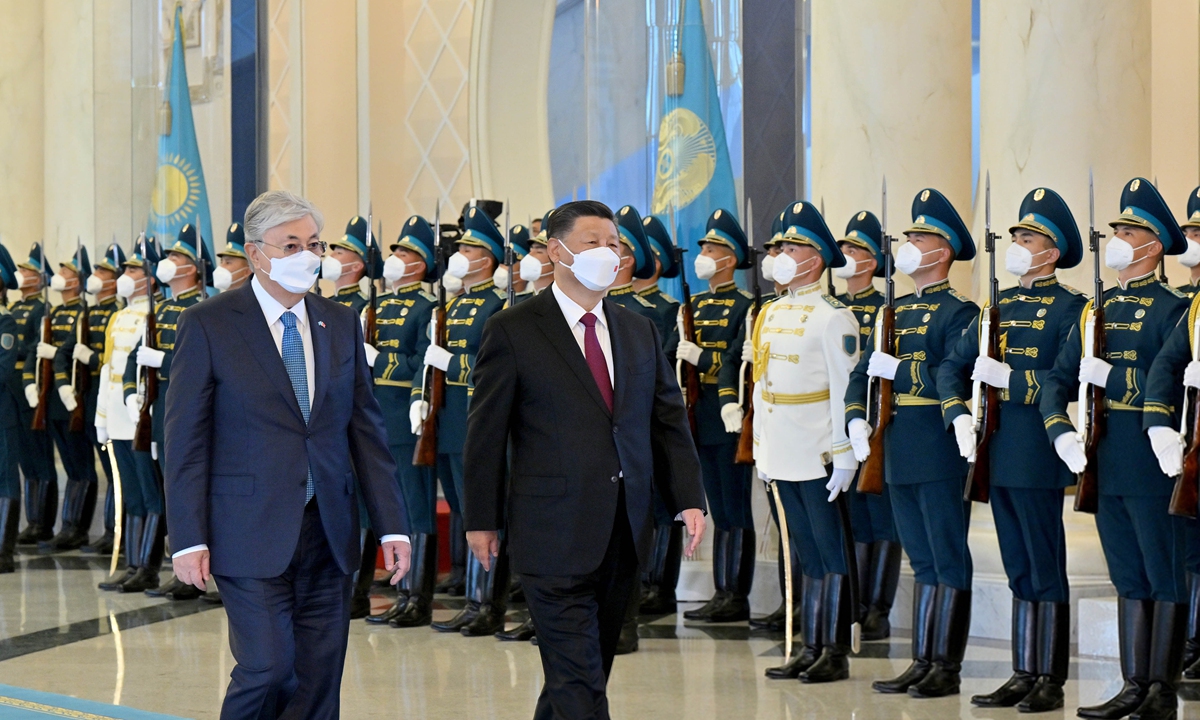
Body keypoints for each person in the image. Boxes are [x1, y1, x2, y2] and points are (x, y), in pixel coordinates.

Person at [165, 189, 411, 720]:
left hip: (328, 530)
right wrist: (188, 537)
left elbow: (366, 433)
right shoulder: (209, 323)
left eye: (314, 243)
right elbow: (185, 442)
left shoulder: (339, 321)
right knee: (270, 667)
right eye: (291, 244)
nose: (308, 255)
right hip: (246, 529)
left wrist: (392, 526)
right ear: (256, 254)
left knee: (321, 675)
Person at [461, 199, 707, 719]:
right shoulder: (514, 329)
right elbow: (485, 433)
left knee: (582, 673)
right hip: (550, 531)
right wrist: (480, 519)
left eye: (614, 245)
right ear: (557, 250)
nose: (608, 254)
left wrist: (688, 498)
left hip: (623, 529)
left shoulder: (638, 329)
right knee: (580, 686)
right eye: (594, 242)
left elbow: (667, 421)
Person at [1043, 177, 1190, 720]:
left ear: (1154, 243)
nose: (1119, 239)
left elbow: (1176, 377)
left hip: (1152, 452)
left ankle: (1161, 689)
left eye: (1129, 231)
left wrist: (1160, 426)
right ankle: (1134, 684)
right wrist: (1060, 430)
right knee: (1126, 570)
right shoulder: (1093, 311)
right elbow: (1057, 379)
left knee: (1162, 568)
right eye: (1117, 230)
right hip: (1102, 452)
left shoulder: (1174, 308)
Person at [939, 187, 1086, 713]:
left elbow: (1067, 381)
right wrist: (956, 412)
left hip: (1038, 448)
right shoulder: (995, 307)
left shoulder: (1074, 308)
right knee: (1017, 563)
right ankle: (1024, 669)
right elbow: (950, 367)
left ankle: (1050, 677)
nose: (1018, 244)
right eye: (1017, 236)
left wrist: (1013, 381)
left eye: (1029, 237)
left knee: (1045, 563)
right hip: (997, 450)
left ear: (1053, 250)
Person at [846, 188, 979, 698]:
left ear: (942, 251)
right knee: (921, 560)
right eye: (909, 235)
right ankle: (922, 657)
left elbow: (959, 377)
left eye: (919, 236)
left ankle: (946, 664)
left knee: (947, 556)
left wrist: (903, 370)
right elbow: (862, 374)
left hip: (939, 446)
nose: (908, 243)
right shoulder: (890, 311)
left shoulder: (960, 313)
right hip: (895, 445)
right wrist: (857, 419)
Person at [754, 201, 860, 684]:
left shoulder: (832, 316)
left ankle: (834, 649)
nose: (780, 253)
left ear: (815, 257)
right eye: (780, 246)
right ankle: (808, 643)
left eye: (792, 246)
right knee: (802, 552)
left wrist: (844, 456)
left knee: (829, 550)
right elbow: (760, 383)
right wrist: (760, 446)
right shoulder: (770, 311)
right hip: (781, 449)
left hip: (818, 450)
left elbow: (843, 390)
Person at [419, 204, 511, 636]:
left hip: (479, 419)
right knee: (460, 506)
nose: (461, 252)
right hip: (450, 420)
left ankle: (488, 603)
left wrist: (450, 363)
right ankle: (472, 598)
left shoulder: (497, 305)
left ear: (488, 257)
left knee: (484, 511)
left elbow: (489, 367)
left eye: (471, 247)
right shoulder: (453, 305)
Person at [121, 225, 209, 596]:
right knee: (165, 489)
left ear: (192, 267)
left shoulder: (202, 308)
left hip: (188, 410)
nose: (168, 263)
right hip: (158, 411)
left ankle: (194, 573)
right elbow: (134, 358)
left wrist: (166, 360)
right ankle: (166, 567)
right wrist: (131, 391)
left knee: (186, 490)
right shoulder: (165, 309)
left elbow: (204, 365)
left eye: (176, 257)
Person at [678, 209, 756, 624]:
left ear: (732, 257)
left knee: (735, 508)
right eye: (704, 247)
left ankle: (735, 594)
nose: (704, 254)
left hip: (730, 417)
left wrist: (702, 358)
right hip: (699, 416)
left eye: (713, 248)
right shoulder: (696, 303)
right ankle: (720, 589)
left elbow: (737, 363)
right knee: (716, 509)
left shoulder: (746, 305)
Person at [361, 215, 439, 629]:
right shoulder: (377, 306)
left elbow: (422, 362)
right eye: (396, 251)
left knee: (414, 509)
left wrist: (382, 361)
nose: (396, 257)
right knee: (388, 510)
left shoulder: (427, 308)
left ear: (422, 263)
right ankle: (397, 589)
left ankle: (416, 596)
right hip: (373, 419)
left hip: (404, 419)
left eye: (406, 252)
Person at [832, 210, 901, 642]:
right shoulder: (833, 308)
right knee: (854, 517)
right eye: (842, 249)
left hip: (878, 421)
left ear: (873, 261)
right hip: (845, 420)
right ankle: (854, 602)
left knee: (883, 519)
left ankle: (879, 607)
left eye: (854, 250)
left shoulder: (883, 309)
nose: (845, 256)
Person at [96, 241, 161, 592]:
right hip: (119, 416)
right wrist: (102, 415)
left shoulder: (156, 314)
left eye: (134, 270)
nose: (126, 276)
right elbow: (109, 370)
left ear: (151, 278)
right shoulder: (118, 317)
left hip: (140, 416)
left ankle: (148, 566)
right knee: (131, 494)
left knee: (151, 495)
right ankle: (133, 562)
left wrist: (143, 411)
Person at [633, 214, 686, 616]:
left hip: (650, 415)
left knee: (660, 501)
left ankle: (659, 585)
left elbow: (665, 363)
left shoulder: (666, 309)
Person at [25, 247, 97, 550]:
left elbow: (71, 348)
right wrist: (31, 380)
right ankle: (66, 525)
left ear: (78, 281)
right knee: (69, 465)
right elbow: (36, 349)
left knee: (82, 465)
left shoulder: (83, 312)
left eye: (67, 271)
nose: (60, 276)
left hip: (74, 396)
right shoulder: (54, 312)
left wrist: (55, 354)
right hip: (53, 398)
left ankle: (76, 527)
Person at [76, 243, 124, 556]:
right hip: (92, 396)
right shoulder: (90, 312)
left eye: (102, 271)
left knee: (113, 468)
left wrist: (90, 359)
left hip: (109, 394)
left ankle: (112, 529)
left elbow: (108, 361)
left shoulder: (114, 312)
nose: (95, 276)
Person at [13, 244, 57, 545]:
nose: (22, 275)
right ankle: (32, 520)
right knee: (25, 458)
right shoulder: (16, 307)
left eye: (28, 271)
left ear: (40, 278)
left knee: (40, 458)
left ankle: (43, 522)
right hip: (14, 387)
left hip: (31, 387)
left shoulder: (42, 308)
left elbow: (33, 349)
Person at [1178, 187, 1200, 679]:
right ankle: (1189, 640)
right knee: (1187, 542)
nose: (1192, 239)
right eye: (1190, 232)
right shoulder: (1178, 302)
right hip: (1182, 437)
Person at [0, 245, 24, 573]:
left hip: (2, 413)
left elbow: (2, 369)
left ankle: (3, 550)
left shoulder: (6, 323)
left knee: (4, 479)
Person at [324, 217, 370, 313]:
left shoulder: (363, 305)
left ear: (356, 266)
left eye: (339, 253)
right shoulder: (324, 302)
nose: (331, 256)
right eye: (334, 252)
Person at [214, 223, 252, 292]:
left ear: (247, 271)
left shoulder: (255, 301)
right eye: (221, 262)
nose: (221, 266)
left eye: (228, 262)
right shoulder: (220, 302)